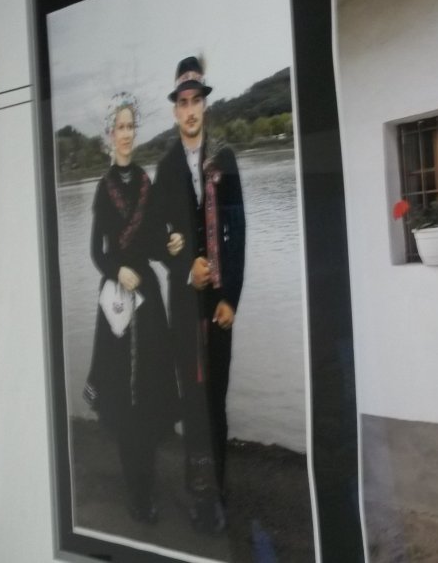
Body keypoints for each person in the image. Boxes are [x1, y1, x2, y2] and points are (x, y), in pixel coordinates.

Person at [153, 56, 246, 533]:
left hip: (219, 304)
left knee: (216, 400)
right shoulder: (166, 167)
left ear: (205, 105)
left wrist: (231, 298)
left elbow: (238, 232)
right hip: (184, 303)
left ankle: (219, 490)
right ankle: (199, 495)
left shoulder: (224, 159)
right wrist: (184, 263)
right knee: (193, 400)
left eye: (196, 101)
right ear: (175, 110)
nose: (190, 110)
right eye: (182, 103)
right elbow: (154, 236)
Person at [83, 92, 178, 524]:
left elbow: (155, 242)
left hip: (148, 302)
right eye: (119, 128)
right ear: (110, 135)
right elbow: (96, 253)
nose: (126, 134)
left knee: (150, 393)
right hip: (117, 303)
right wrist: (117, 270)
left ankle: (148, 485)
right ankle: (137, 494)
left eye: (130, 127)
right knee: (122, 399)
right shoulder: (103, 190)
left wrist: (170, 245)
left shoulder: (145, 182)